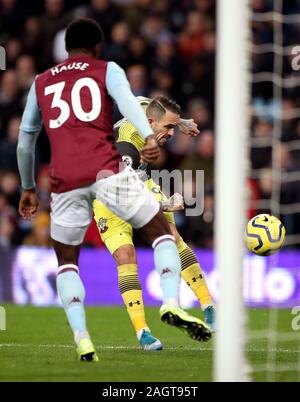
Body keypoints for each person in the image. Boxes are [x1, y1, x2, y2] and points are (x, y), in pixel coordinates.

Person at [17, 18, 211, 362]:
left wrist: (28, 187)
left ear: (65, 48)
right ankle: (169, 303)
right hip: (106, 170)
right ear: (97, 48)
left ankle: (82, 339)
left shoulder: (40, 81)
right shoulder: (106, 69)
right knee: (163, 233)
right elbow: (131, 103)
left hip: (64, 181)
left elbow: (25, 140)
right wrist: (150, 139)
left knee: (66, 264)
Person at [93, 96, 216, 351]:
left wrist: (180, 122)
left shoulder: (145, 111)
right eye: (167, 129)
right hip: (110, 191)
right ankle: (143, 332)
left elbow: (145, 101)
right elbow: (125, 197)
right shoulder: (125, 147)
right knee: (125, 255)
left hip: (140, 180)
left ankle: (208, 306)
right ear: (149, 123)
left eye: (171, 128)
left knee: (172, 235)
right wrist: (164, 205)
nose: (171, 134)